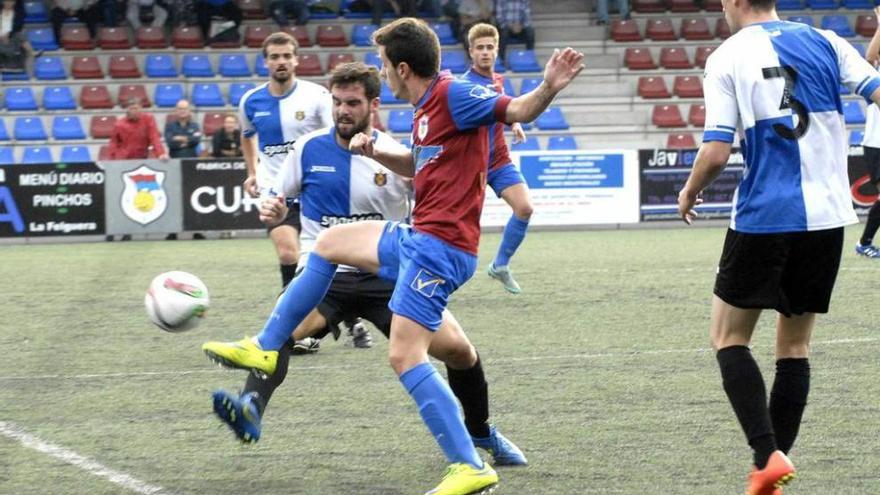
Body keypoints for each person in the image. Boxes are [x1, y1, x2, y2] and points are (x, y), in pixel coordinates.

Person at [202, 17, 583, 494]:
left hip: (440, 249)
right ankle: (264, 344)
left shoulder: (453, 95)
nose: (382, 71)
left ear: (403, 68)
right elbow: (419, 166)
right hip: (417, 237)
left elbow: (520, 110)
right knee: (327, 244)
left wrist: (549, 85)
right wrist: (375, 152)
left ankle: (469, 465)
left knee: (404, 356)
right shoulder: (427, 108)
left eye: (384, 64)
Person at [676, 0, 880, 493]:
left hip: (766, 215)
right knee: (794, 345)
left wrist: (689, 189)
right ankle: (769, 471)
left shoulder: (726, 56)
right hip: (829, 218)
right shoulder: (827, 41)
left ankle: (766, 454)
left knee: (728, 337)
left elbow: (717, 148)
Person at [463, 23, 533, 294]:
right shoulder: (463, 86)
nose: (485, 53)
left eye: (489, 47)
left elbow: (502, 104)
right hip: (471, 165)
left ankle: (500, 265)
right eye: (479, 48)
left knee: (524, 208)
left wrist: (513, 123)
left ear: (497, 50)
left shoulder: (497, 80)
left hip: (498, 161)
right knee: (460, 226)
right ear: (471, 52)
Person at [857, 5, 880, 259]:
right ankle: (864, 243)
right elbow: (869, 56)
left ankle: (865, 242)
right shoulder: (874, 74)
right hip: (876, 143)